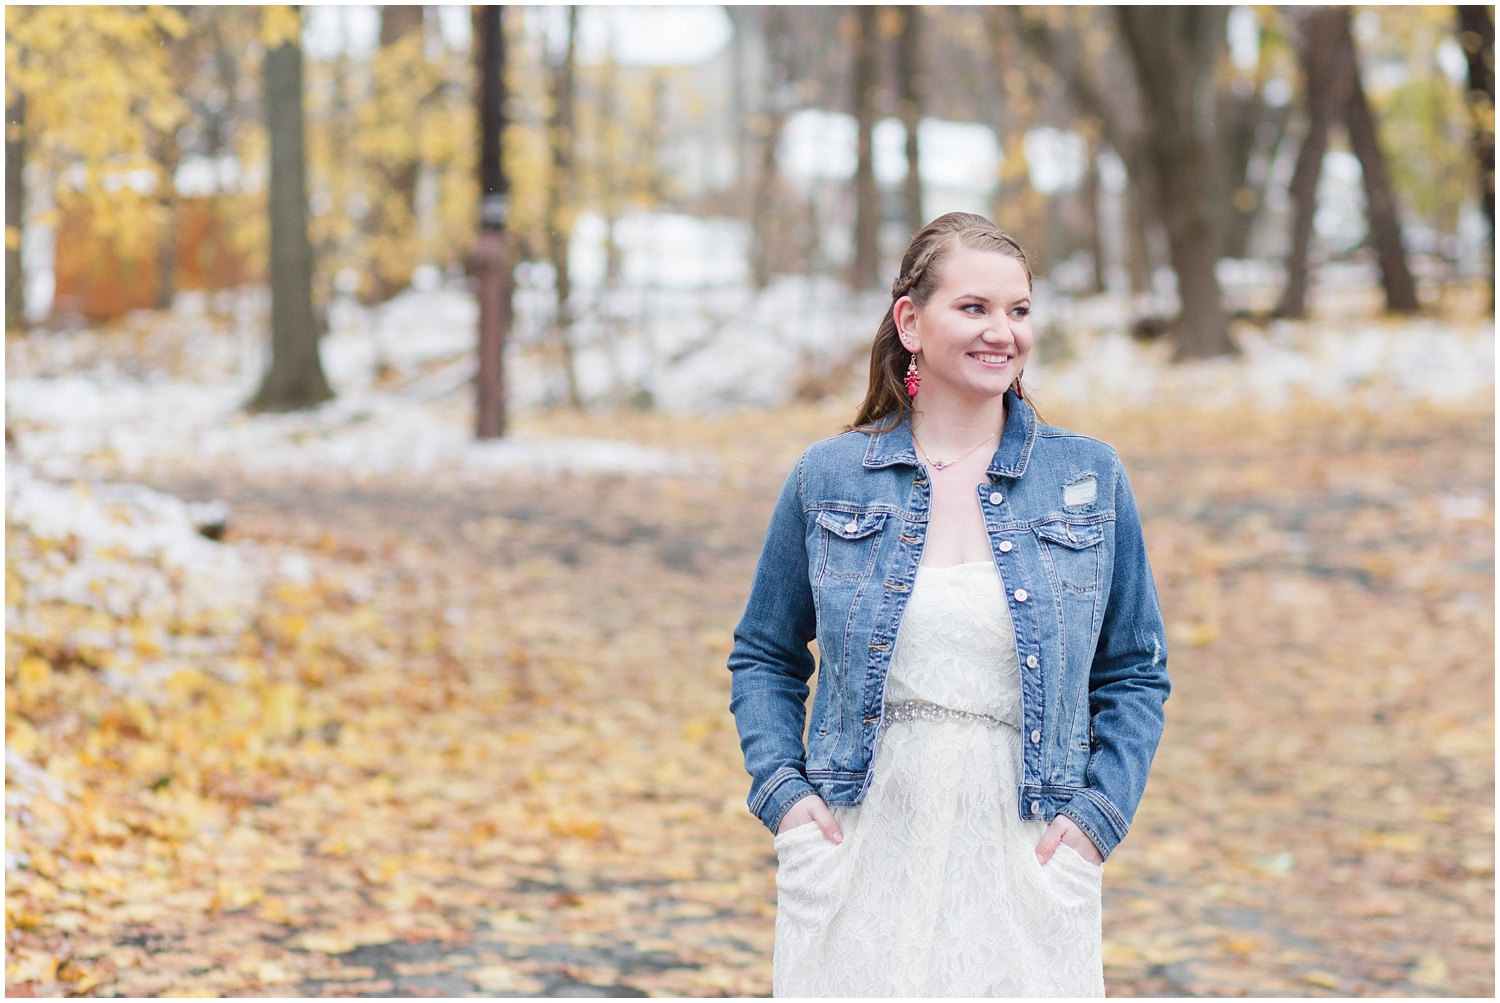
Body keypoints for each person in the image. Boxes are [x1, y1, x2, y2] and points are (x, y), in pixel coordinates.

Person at [727, 212, 1170, 997]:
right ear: (911, 322)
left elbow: (1135, 671)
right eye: (974, 307)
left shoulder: (1090, 479)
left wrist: (1095, 823)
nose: (1003, 331)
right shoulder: (829, 477)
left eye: (1020, 310)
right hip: (860, 843)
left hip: (1028, 849)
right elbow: (765, 653)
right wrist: (787, 803)